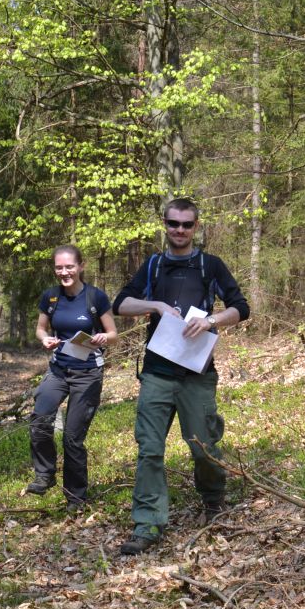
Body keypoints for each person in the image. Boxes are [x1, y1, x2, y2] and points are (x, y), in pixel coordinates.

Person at [113, 198, 250, 555]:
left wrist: (211, 320)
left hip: (197, 374)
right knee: (150, 449)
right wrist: (155, 305)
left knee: (203, 448)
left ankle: (214, 501)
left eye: (187, 224)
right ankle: (147, 523)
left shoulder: (210, 265)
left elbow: (241, 307)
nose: (179, 230)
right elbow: (121, 304)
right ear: (165, 224)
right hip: (157, 374)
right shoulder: (154, 265)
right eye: (173, 223)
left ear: (196, 226)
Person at [26, 245, 118, 512]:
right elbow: (40, 328)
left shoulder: (95, 297)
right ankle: (45, 475)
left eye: (69, 267)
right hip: (58, 370)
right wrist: (46, 339)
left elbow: (113, 335)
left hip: (88, 374)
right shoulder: (51, 297)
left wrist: (103, 337)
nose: (64, 272)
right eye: (59, 267)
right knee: (40, 419)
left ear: (80, 267)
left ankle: (75, 498)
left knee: (72, 437)